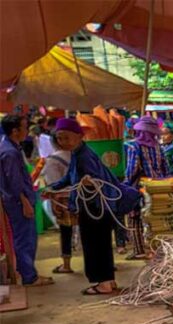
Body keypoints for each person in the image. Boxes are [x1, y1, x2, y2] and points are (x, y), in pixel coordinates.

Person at [46, 118, 121, 295]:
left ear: (79, 136)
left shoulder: (84, 156)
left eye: (66, 137)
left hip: (94, 207)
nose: (62, 142)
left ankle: (102, 283)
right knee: (101, 244)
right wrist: (53, 188)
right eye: (59, 138)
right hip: (94, 206)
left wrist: (88, 182)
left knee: (94, 245)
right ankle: (108, 280)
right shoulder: (77, 153)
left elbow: (94, 179)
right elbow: (69, 178)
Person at [0, 114, 53, 286]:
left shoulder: (10, 147)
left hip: (17, 199)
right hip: (18, 201)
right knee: (25, 239)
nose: (26, 131)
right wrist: (25, 202)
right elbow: (14, 181)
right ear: (15, 131)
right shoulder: (9, 152)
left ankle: (28, 273)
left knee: (24, 238)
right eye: (24, 128)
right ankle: (29, 276)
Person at [123, 116, 170, 257]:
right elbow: (165, 167)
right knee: (155, 217)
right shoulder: (157, 147)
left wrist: (125, 184)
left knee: (135, 218)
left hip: (139, 187)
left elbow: (132, 169)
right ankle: (159, 248)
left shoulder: (134, 146)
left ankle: (139, 250)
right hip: (157, 187)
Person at [38, 134, 74, 274]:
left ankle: (66, 265)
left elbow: (53, 184)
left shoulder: (53, 159)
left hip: (63, 200)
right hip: (82, 197)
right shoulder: (77, 155)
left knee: (66, 232)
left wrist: (55, 201)